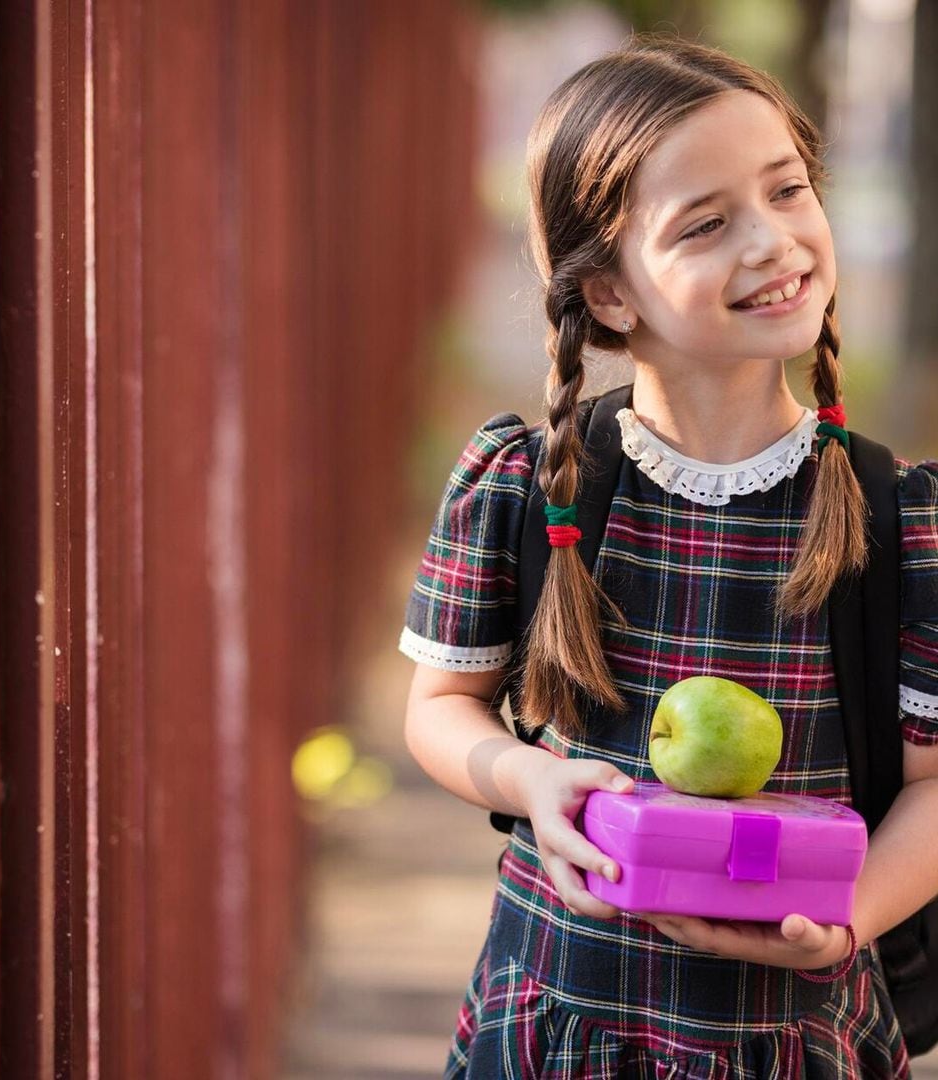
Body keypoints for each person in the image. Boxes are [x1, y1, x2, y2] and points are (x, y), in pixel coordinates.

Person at [398, 35, 938, 1078]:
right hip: (560, 1014)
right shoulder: (532, 485)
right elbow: (438, 709)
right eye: (706, 223)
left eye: (788, 191)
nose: (773, 241)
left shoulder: (902, 519)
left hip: (793, 1031)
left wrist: (848, 919)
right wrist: (525, 779)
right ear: (609, 295)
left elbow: (933, 783)